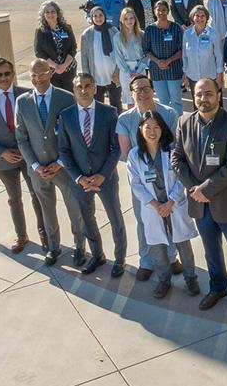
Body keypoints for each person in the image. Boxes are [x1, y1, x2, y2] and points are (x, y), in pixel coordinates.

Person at [171, 78, 227, 314]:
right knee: (211, 248)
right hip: (200, 204)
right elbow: (176, 157)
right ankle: (218, 287)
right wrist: (195, 190)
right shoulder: (184, 122)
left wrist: (205, 189)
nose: (202, 99)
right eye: (198, 94)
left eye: (208, 94)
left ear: (218, 94)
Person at [57, 73, 128, 277]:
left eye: (88, 86)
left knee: (115, 218)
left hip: (105, 179)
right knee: (87, 220)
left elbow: (115, 148)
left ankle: (120, 259)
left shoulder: (109, 113)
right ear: (74, 90)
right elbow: (64, 150)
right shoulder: (67, 115)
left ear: (95, 88)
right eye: (79, 87)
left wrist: (102, 175)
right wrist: (78, 177)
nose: (84, 90)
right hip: (80, 181)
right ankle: (97, 255)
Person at [15, 60, 85, 267]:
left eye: (42, 74)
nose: (37, 79)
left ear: (51, 73)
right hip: (38, 170)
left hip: (63, 169)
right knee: (47, 210)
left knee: (74, 209)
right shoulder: (23, 101)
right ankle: (53, 248)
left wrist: (60, 163)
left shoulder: (67, 99)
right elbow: (21, 138)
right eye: (33, 75)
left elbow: (76, 136)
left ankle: (80, 247)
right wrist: (35, 165)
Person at [126, 111, 200, 298]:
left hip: (174, 206)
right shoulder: (135, 155)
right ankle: (163, 281)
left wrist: (171, 202)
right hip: (153, 210)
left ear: (163, 129)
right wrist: (155, 205)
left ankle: (191, 278)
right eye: (147, 127)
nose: (152, 131)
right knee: (158, 249)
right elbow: (136, 184)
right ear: (140, 129)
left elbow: (181, 179)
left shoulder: (172, 150)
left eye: (156, 127)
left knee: (183, 246)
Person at [117, 75, 180, 282]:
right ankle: (146, 261)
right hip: (141, 179)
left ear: (153, 90)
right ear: (131, 93)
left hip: (167, 176)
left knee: (168, 217)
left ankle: (171, 257)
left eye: (146, 88)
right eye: (137, 90)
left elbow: (174, 147)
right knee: (144, 219)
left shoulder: (169, 113)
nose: (142, 93)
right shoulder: (125, 119)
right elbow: (126, 154)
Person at [0, 59, 45, 254]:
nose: (3, 78)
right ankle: (22, 235)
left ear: (13, 74)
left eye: (7, 74)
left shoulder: (25, 95)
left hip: (28, 157)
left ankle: (45, 234)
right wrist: (3, 152)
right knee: (14, 199)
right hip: (5, 161)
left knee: (37, 195)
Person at [143, 0, 184, 116]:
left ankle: (178, 127)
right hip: (157, 71)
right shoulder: (150, 29)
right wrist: (157, 61)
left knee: (176, 101)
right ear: (154, 12)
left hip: (174, 69)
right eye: (158, 10)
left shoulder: (176, 28)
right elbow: (146, 50)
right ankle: (166, 126)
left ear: (168, 11)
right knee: (163, 102)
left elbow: (182, 49)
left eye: (164, 10)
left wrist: (168, 61)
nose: (161, 12)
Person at [78, 5, 123, 111]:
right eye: (95, 16)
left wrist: (118, 71)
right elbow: (84, 57)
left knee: (116, 102)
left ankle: (117, 124)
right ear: (91, 18)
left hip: (113, 75)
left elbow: (120, 52)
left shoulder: (113, 30)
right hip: (96, 76)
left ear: (105, 16)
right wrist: (87, 77)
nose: (98, 18)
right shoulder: (87, 34)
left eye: (101, 15)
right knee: (98, 103)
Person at [34, 0, 78, 91]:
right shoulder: (41, 31)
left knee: (70, 97)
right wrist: (56, 66)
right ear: (43, 15)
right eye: (47, 12)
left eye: (53, 11)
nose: (50, 14)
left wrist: (64, 65)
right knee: (56, 98)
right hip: (51, 73)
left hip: (69, 70)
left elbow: (73, 48)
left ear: (58, 13)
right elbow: (39, 52)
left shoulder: (66, 28)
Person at [182, 5, 224, 95]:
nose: (200, 18)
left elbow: (219, 56)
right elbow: (184, 56)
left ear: (207, 18)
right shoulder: (187, 34)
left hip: (210, 78)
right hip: (193, 77)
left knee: (214, 105)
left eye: (202, 16)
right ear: (193, 17)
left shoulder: (213, 33)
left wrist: (219, 76)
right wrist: (185, 73)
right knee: (197, 105)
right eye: (197, 16)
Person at [112, 8, 148, 109]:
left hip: (140, 68)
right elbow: (118, 57)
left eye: (131, 18)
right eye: (126, 18)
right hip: (125, 71)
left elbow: (146, 55)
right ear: (122, 20)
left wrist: (139, 70)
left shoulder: (142, 34)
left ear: (135, 19)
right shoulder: (117, 37)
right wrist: (128, 72)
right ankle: (131, 122)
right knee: (130, 100)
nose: (129, 21)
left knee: (142, 97)